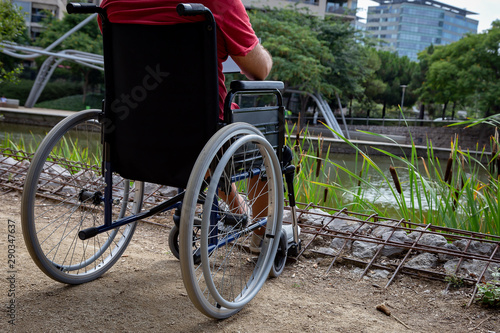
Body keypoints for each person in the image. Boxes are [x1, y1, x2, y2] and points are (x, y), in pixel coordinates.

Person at [99, 0, 274, 249]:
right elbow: (260, 70)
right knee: (266, 132)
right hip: (199, 132)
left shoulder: (111, 2)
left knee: (208, 139)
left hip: (132, 126)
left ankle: (238, 211)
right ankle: (261, 234)